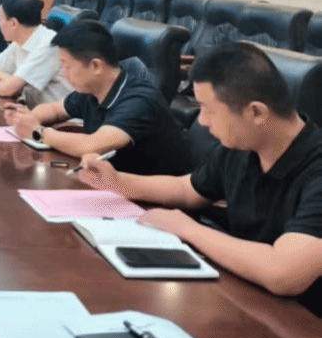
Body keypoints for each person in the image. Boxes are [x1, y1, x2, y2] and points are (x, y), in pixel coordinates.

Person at [78, 43, 322, 316]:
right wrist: (118, 182)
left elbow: (283, 273)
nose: (202, 121)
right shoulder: (242, 147)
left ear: (256, 113)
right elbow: (187, 189)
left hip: (303, 324)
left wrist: (188, 229)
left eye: (208, 109)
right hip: (248, 300)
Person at [5, 20, 192, 175]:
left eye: (67, 66)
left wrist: (39, 132)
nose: (64, 73)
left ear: (96, 66)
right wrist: (27, 119)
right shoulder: (92, 90)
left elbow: (92, 145)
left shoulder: (139, 100)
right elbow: (54, 110)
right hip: (115, 186)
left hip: (155, 200)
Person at [0, 0, 72, 106]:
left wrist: (9, 82)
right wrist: (7, 77)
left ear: (14, 23)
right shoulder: (19, 42)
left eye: (0, 20)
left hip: (58, 116)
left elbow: (6, 89)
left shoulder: (48, 44)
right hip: (31, 109)